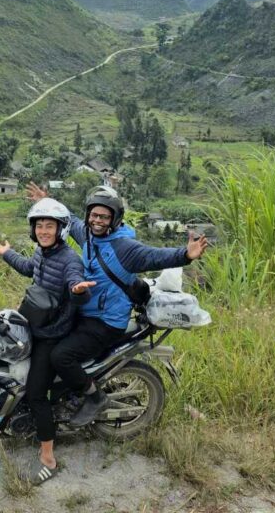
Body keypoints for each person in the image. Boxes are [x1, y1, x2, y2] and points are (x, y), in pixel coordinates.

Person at [26, 182, 208, 427]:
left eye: (104, 216)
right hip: (84, 313)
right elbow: (71, 217)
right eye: (94, 215)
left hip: (105, 322)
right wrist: (45, 201)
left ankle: (94, 398)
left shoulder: (125, 248)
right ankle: (60, 396)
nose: (97, 220)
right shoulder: (87, 234)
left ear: (114, 219)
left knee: (61, 356)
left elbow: (154, 256)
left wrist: (185, 255)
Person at [0, 197, 95, 485]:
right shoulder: (43, 253)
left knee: (36, 393)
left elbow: (75, 282)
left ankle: (48, 458)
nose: (44, 230)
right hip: (36, 325)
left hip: (53, 333)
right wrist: (6, 253)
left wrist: (79, 290)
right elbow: (28, 267)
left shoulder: (70, 260)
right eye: (39, 226)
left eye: (50, 226)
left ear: (61, 229)